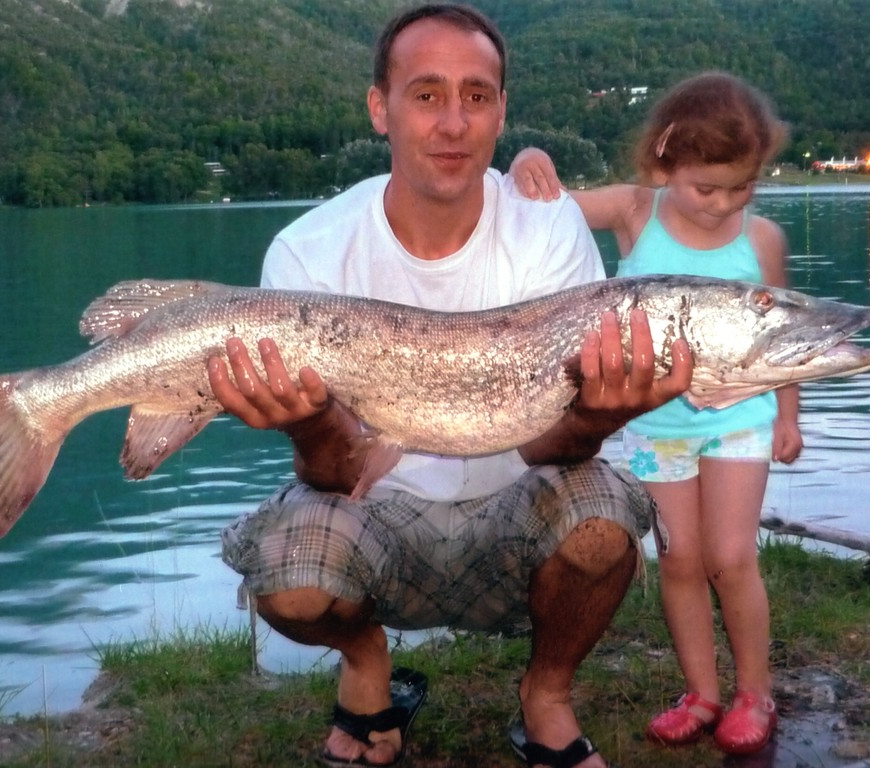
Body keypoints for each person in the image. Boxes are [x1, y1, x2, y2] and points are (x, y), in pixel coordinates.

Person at [207, 5, 692, 768]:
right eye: (426, 95)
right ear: (381, 108)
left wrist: (599, 418)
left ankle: (546, 697)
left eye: (476, 96)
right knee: (289, 577)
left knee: (604, 521)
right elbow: (332, 472)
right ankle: (366, 661)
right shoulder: (307, 253)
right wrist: (305, 424)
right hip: (375, 512)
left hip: (515, 506)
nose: (453, 122)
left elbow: (551, 447)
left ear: (500, 111)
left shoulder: (548, 229)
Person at [510, 71, 803, 756]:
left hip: (738, 419)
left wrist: (788, 414)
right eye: (706, 188)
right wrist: (527, 159)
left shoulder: (761, 239)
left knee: (730, 558)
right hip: (654, 428)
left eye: (742, 186)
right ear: (665, 160)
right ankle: (700, 692)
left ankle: (754, 691)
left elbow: (785, 339)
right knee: (680, 561)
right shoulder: (633, 211)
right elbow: (542, 207)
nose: (723, 204)